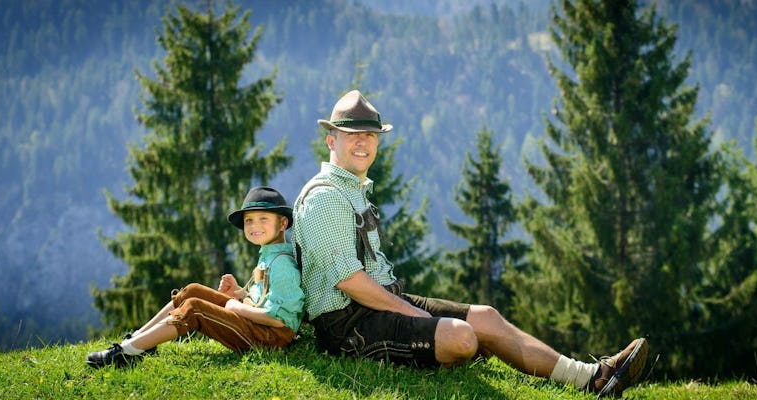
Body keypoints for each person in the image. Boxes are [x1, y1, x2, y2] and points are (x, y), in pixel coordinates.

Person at [292, 90, 649, 397]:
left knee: (486, 318)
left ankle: (592, 378)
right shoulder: (325, 196)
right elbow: (348, 280)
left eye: (370, 135)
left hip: (378, 304)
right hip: (346, 326)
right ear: (331, 140)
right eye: (351, 134)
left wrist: (408, 310)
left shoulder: (352, 190)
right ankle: (446, 350)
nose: (362, 143)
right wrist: (414, 314)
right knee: (462, 338)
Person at [87, 186, 304, 368]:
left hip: (271, 338)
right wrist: (239, 293)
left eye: (263, 219)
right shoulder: (269, 255)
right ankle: (138, 339)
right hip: (262, 328)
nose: (254, 226)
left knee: (194, 307)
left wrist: (234, 306)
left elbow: (278, 318)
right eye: (249, 220)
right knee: (192, 290)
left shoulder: (282, 263)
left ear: (283, 223)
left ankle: (127, 353)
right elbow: (265, 298)